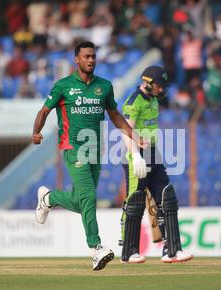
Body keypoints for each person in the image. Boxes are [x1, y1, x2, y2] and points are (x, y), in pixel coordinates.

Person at [31, 41, 147, 271]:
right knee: (89, 196)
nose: (91, 60)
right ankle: (96, 248)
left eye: (93, 56)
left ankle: (48, 199)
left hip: (95, 150)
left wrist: (134, 136)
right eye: (86, 56)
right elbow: (45, 110)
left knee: (81, 200)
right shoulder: (63, 86)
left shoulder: (104, 86)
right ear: (77, 59)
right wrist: (36, 131)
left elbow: (114, 115)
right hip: (73, 148)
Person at [119, 65, 193, 264]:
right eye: (159, 86)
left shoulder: (153, 101)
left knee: (166, 198)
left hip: (153, 153)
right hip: (136, 156)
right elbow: (126, 131)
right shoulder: (134, 101)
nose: (162, 90)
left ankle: (172, 250)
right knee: (135, 201)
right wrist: (135, 156)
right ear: (148, 82)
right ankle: (128, 250)